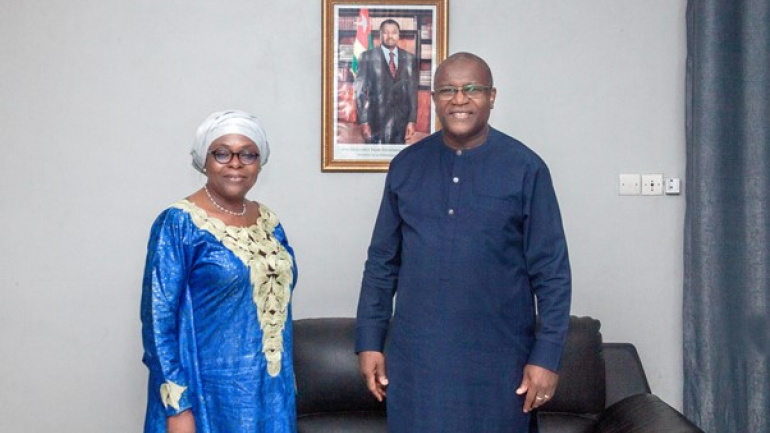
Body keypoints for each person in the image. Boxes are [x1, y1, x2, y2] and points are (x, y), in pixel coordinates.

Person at [355, 52, 571, 432]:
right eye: (448, 90)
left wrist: (547, 357)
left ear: (492, 96)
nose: (459, 99)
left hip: (501, 363)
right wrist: (370, 341)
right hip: (417, 362)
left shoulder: (526, 168)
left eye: (472, 89)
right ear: (434, 98)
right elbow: (381, 262)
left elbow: (551, 272)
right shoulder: (406, 166)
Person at [140, 110, 298, 433]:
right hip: (208, 396)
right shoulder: (179, 224)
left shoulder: (270, 224)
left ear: (259, 161)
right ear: (205, 160)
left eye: (248, 154)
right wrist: (178, 406)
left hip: (271, 395)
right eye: (222, 153)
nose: (235, 163)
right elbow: (158, 323)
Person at [354, 19, 418, 144]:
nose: (390, 36)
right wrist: (363, 121)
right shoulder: (367, 57)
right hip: (375, 121)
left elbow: (413, 92)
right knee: (373, 159)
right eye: (385, 32)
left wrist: (412, 120)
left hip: (401, 122)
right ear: (380, 35)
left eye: (394, 32)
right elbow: (359, 91)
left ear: (398, 35)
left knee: (398, 160)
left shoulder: (410, 58)